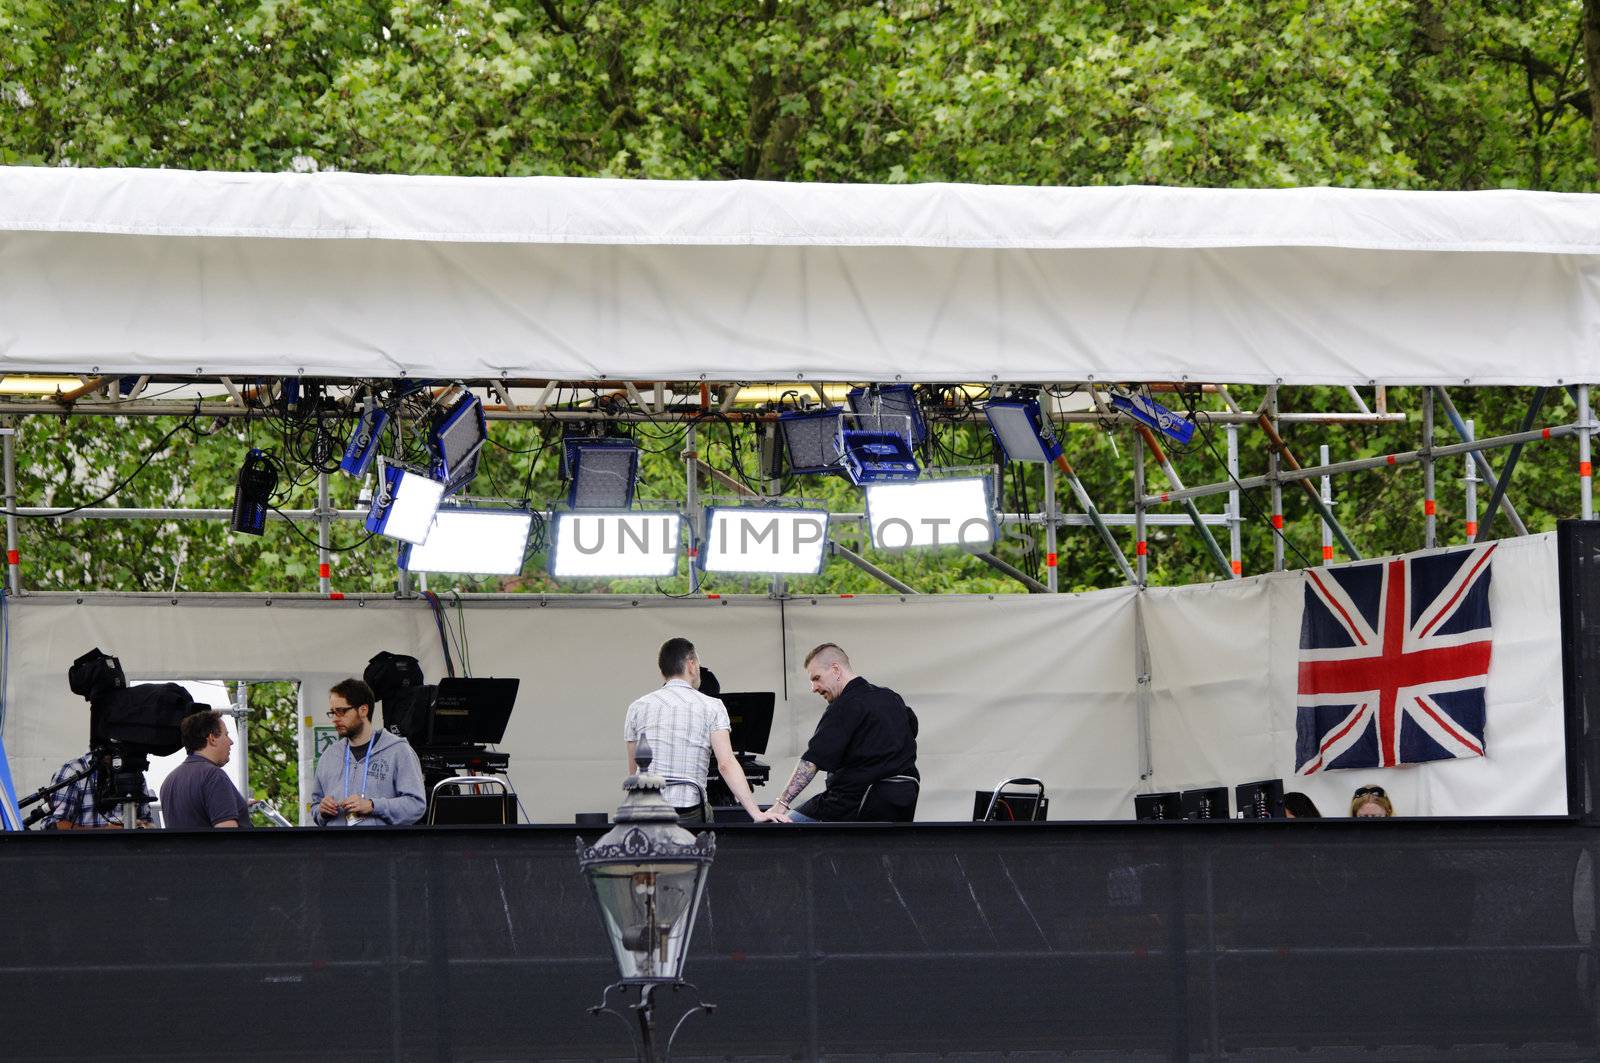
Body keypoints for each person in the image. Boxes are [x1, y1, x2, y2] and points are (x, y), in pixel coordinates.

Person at [623, 638, 780, 824]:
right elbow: (726, 764)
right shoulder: (712, 706)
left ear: (663, 671)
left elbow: (635, 772)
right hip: (690, 812)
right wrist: (756, 813)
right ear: (691, 665)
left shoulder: (637, 707)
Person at [770, 643, 920, 823]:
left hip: (852, 803)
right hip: (902, 800)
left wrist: (781, 805)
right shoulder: (892, 698)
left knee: (783, 831)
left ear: (835, 670)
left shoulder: (845, 705)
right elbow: (912, 729)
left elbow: (812, 761)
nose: (814, 688)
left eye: (817, 678)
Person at [311, 678, 425, 827]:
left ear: (363, 710)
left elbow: (416, 805)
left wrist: (373, 806)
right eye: (332, 712)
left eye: (341, 711)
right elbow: (315, 807)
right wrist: (321, 810)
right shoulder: (329, 756)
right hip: (336, 848)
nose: (334, 719)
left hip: (380, 848)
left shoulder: (398, 750)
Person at [159, 709, 250, 829]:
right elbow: (227, 835)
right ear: (212, 738)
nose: (231, 742)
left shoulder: (170, 780)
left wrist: (234, 804)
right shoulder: (213, 775)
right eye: (226, 735)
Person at [39, 749, 155, 829]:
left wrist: (144, 827)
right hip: (85, 860)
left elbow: (147, 820)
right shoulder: (72, 771)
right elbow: (53, 826)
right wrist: (107, 832)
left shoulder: (133, 772)